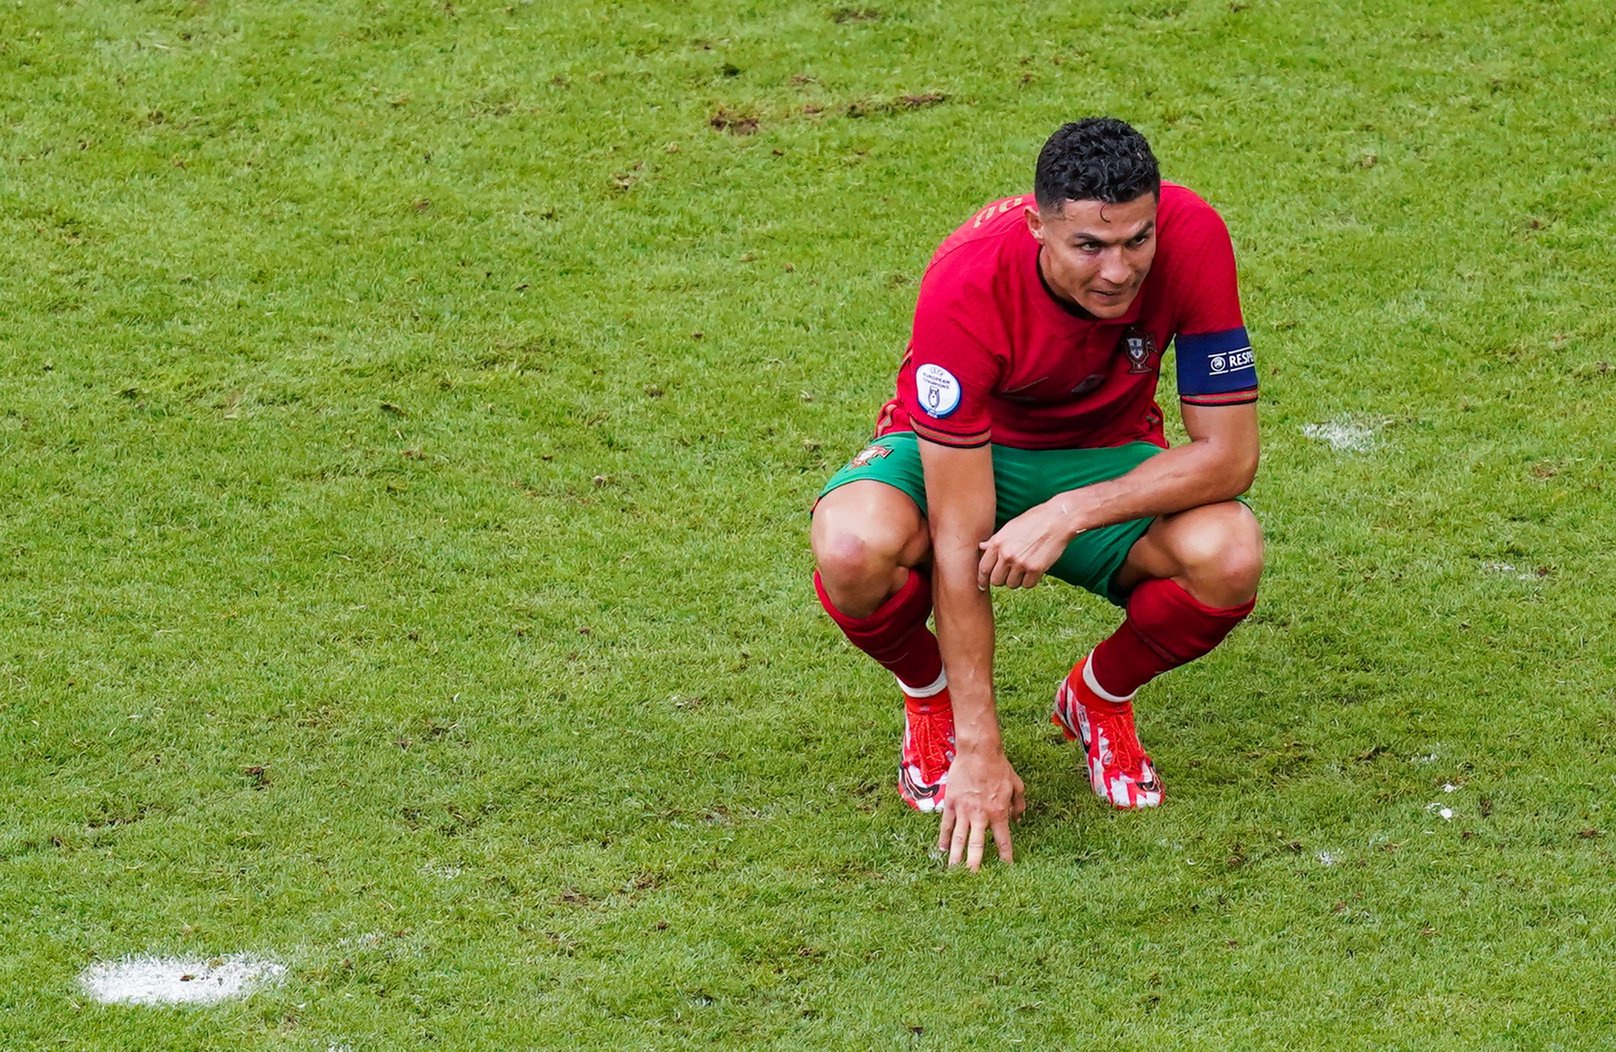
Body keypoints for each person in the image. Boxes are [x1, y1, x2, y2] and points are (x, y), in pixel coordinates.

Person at [810, 117, 1263, 871]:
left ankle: (1097, 698)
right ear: (1036, 227)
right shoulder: (965, 282)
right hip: (962, 452)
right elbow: (959, 536)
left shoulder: (1193, 234)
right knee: (853, 547)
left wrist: (1070, 511)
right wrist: (979, 746)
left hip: (1102, 457)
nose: (1118, 271)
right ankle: (931, 698)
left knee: (1230, 554)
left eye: (1137, 240)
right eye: (1089, 246)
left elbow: (1231, 456)